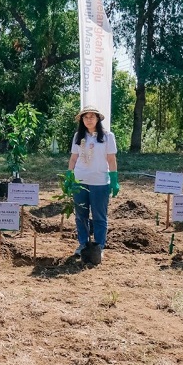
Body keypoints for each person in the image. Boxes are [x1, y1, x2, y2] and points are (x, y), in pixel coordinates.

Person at [67, 105, 119, 258]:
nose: (89, 120)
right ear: (82, 120)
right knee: (80, 215)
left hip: (100, 182)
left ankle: (99, 247)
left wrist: (114, 179)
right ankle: (83, 244)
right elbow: (73, 158)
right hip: (80, 180)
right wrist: (69, 176)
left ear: (97, 119)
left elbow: (111, 159)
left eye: (92, 116)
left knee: (99, 216)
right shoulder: (78, 136)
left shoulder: (107, 136)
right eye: (85, 117)